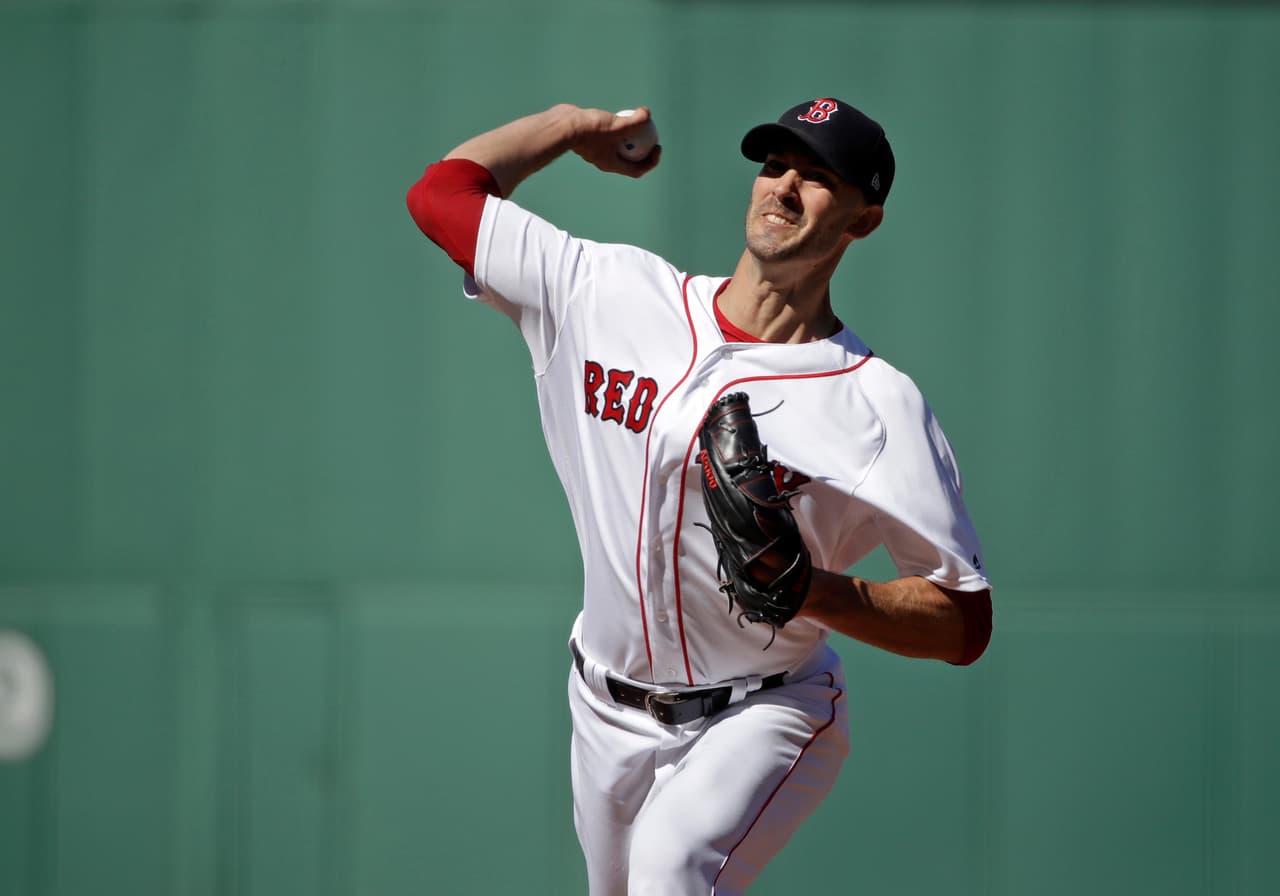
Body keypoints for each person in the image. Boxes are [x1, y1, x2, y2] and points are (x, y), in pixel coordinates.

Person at [406, 97, 993, 896]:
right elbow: (443, 196)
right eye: (775, 164)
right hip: (603, 707)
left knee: (672, 869)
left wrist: (813, 591)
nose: (783, 187)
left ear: (863, 222)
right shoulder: (607, 292)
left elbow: (961, 622)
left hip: (762, 710)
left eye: (817, 178)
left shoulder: (877, 403)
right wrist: (572, 128)